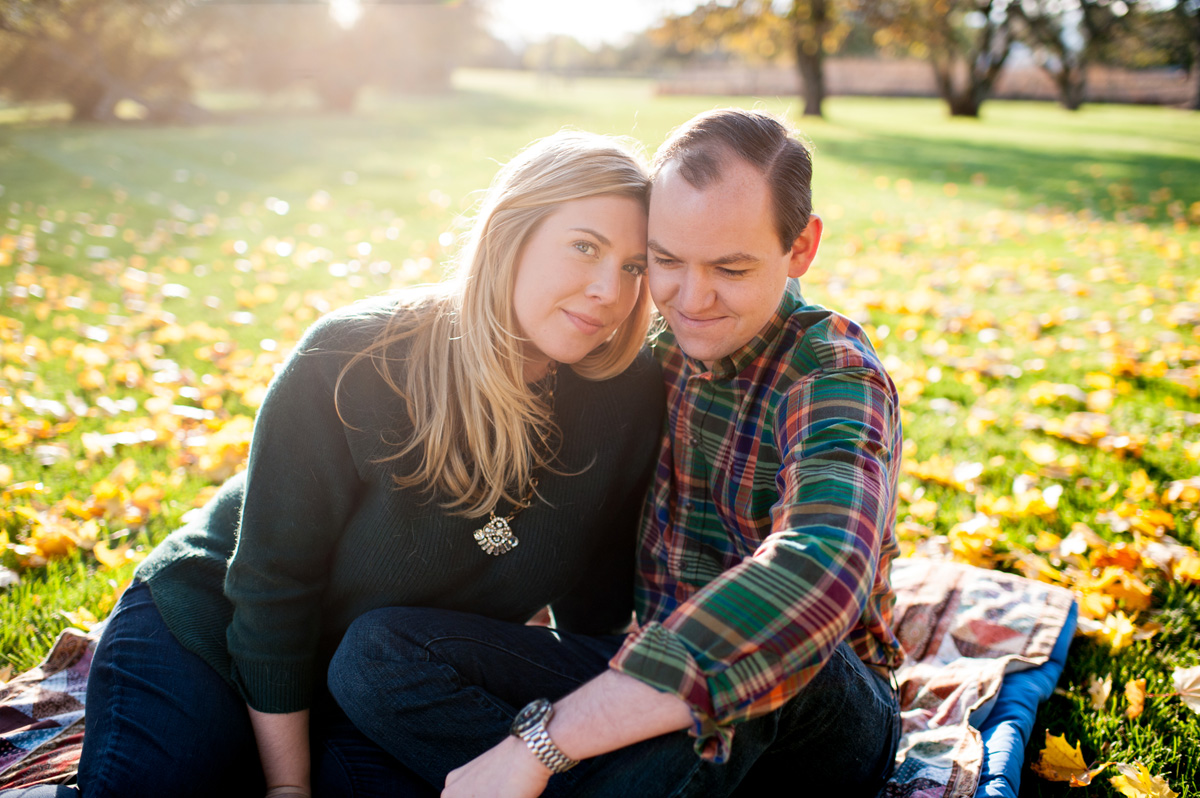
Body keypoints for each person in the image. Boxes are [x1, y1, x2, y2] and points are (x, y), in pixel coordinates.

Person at [8, 130, 664, 798]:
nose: (609, 290)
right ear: (511, 237)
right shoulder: (357, 359)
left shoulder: (629, 396)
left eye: (636, 267)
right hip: (214, 631)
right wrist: (289, 789)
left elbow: (594, 607)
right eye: (585, 247)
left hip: (374, 682)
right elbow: (271, 587)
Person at [329, 108, 905, 798]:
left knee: (759, 670)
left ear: (801, 249)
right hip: (643, 677)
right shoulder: (639, 354)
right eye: (665, 261)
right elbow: (548, 526)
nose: (691, 300)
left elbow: (823, 564)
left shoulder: (832, 375)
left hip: (820, 713)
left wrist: (538, 747)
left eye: (731, 267)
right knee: (373, 657)